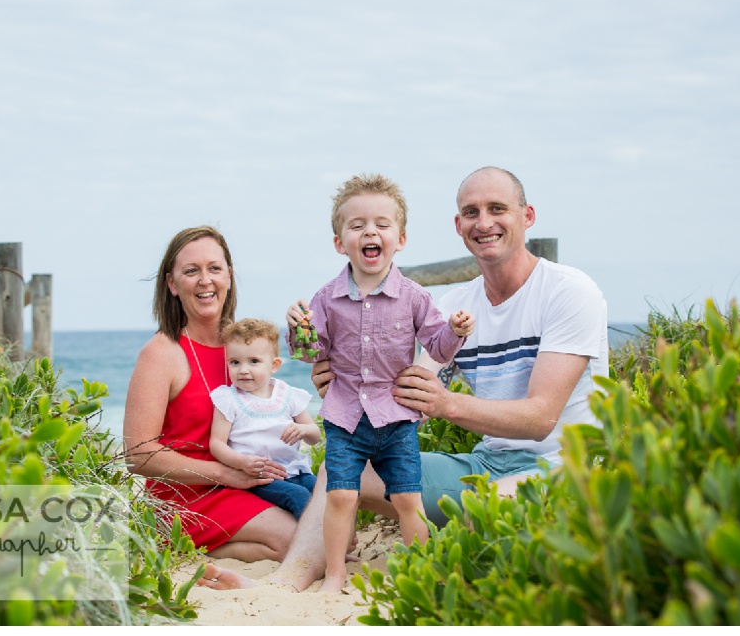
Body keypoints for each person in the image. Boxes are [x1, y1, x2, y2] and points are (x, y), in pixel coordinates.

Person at [198, 165, 607, 593]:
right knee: (342, 473)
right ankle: (286, 582)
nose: (483, 222)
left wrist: (446, 403)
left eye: (497, 209)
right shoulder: (455, 303)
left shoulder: (568, 291)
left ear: (528, 216)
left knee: (485, 513)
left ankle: (441, 568)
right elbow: (408, 395)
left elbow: (541, 417)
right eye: (471, 212)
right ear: (458, 225)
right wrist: (348, 386)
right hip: (484, 464)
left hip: (564, 468)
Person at [285, 174, 474, 593]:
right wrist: (299, 329)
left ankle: (419, 572)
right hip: (344, 418)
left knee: (408, 499)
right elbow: (310, 351)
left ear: (400, 238)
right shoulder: (326, 298)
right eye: (357, 225)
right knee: (340, 497)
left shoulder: (414, 296)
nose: (370, 231)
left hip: (397, 419)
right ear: (340, 242)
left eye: (382, 224)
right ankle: (335, 574)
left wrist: (457, 331)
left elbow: (438, 347)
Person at [123, 227, 301, 561]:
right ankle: (172, 541)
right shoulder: (161, 353)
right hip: (186, 493)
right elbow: (137, 454)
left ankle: (198, 550)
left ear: (229, 277)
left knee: (318, 525)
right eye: (191, 271)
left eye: (214, 268)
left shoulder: (243, 347)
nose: (205, 280)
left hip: (245, 481)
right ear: (173, 285)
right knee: (297, 540)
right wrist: (226, 475)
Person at [209, 317, 320, 521]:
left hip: (295, 469)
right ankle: (313, 544)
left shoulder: (287, 394)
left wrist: (303, 430)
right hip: (259, 477)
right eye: (235, 362)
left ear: (274, 365)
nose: (243, 369)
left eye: (254, 361)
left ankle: (339, 538)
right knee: (299, 496)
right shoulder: (229, 399)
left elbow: (314, 436)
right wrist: (242, 462)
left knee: (322, 491)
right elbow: (217, 443)